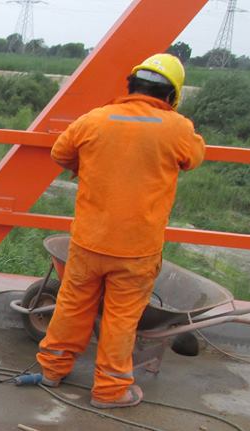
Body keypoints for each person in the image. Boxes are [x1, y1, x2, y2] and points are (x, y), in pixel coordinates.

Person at [36, 53, 205, 408]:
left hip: (88, 240)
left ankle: (51, 370)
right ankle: (110, 391)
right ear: (171, 96)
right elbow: (192, 158)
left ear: (131, 85)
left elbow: (60, 152)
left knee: (72, 305)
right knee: (121, 318)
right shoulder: (178, 127)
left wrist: (91, 167)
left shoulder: (94, 119)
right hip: (137, 248)